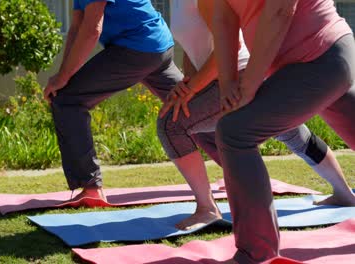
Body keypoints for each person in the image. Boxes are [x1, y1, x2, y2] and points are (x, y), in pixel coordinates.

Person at [159, 0, 355, 231]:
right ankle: (344, 194)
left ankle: (212, 212)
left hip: (248, 70)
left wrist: (235, 84)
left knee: (182, 126)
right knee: (293, 136)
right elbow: (196, 46)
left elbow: (236, 36)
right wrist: (189, 82)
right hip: (260, 72)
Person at [211, 0, 355, 262]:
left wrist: (248, 86)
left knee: (235, 132)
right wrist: (228, 84)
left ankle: (255, 254)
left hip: (321, 56)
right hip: (313, 63)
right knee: (234, 129)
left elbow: (279, 10)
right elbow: (223, 18)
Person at [43, 0, 184, 201]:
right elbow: (77, 27)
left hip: (136, 48)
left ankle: (90, 187)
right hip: (157, 45)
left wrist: (64, 77)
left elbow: (92, 30)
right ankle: (238, 168)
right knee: (189, 108)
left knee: (67, 100)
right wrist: (63, 74)